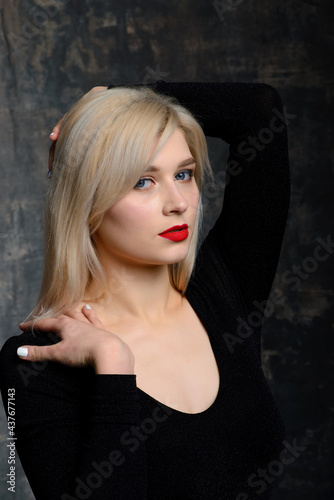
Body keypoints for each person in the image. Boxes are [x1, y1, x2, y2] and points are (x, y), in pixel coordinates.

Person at [0, 80, 290, 500]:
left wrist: (119, 100)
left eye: (184, 174)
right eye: (142, 181)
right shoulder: (36, 363)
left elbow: (258, 110)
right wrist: (114, 367)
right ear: (87, 197)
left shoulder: (226, 292)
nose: (178, 202)